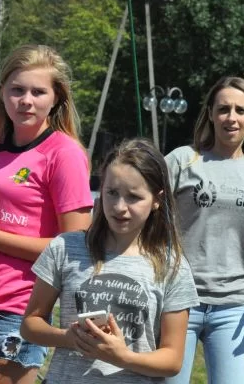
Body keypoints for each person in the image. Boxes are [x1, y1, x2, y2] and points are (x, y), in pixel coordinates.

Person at [0, 44, 94, 384]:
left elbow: (75, 247)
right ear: (2, 92)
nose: (26, 100)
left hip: (15, 305)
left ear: (56, 98)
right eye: (17, 90)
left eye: (38, 92)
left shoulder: (64, 153)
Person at [20, 138, 199, 383]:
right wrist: (68, 338)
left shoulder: (172, 266)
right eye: (112, 193)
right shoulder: (65, 247)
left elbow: (173, 359)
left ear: (157, 200)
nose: (119, 207)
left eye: (133, 197)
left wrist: (122, 357)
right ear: (101, 189)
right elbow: (30, 324)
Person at [164, 76, 244, 384]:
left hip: (234, 308)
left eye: (240, 110)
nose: (231, 118)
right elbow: (146, 214)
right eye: (223, 109)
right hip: (178, 301)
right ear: (210, 113)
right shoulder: (182, 160)